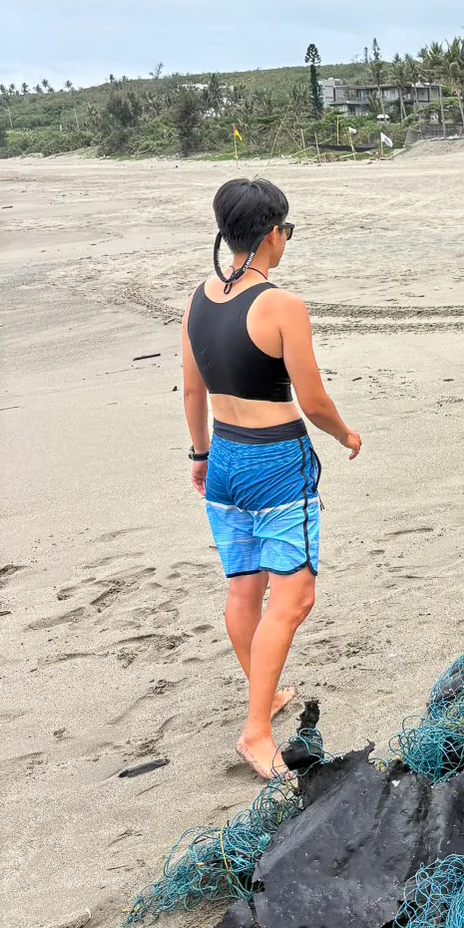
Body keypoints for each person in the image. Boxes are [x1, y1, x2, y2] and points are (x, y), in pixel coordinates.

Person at [181, 178, 361, 780]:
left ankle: (267, 692)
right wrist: (345, 435)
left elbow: (193, 388)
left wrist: (199, 456)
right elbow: (311, 399)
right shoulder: (281, 305)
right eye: (286, 230)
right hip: (276, 461)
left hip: (225, 457)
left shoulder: (199, 299)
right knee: (295, 596)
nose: (286, 241)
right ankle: (257, 731)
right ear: (268, 234)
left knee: (243, 589)